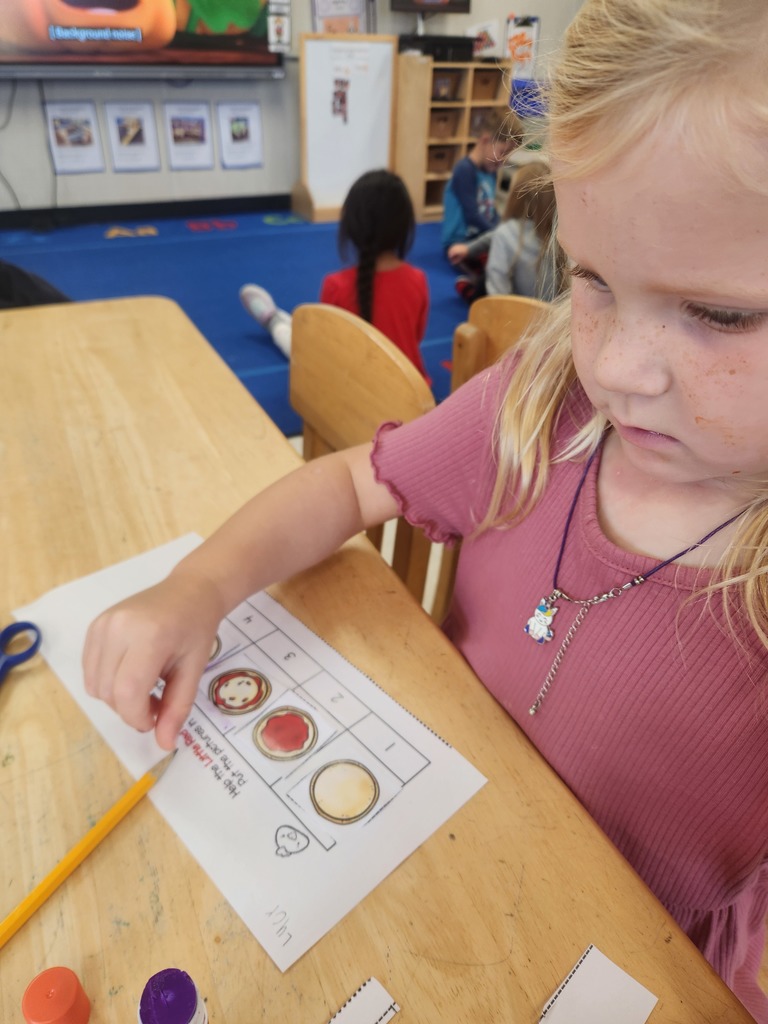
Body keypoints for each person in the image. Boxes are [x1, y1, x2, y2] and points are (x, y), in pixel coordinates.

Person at [83, 1, 768, 1017]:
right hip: (410, 863)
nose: (619, 369)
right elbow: (354, 481)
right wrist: (199, 586)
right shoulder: (543, 407)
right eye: (591, 280)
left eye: (715, 313)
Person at [239, 169, 430, 380]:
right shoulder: (418, 279)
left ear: (351, 227)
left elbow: (328, 350)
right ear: (405, 226)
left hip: (352, 394)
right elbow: (416, 337)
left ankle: (274, 321)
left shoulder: (336, 285)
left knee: (301, 347)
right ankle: (284, 320)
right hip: (412, 392)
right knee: (310, 333)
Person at [447, 161, 561, 301]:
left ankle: (472, 292)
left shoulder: (506, 233)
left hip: (515, 314)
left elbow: (498, 294)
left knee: (487, 276)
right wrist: (469, 249)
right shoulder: (560, 233)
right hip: (553, 316)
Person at [440, 110, 524, 300]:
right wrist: (500, 234)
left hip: (482, 236)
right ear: (486, 140)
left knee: (512, 260)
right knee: (494, 262)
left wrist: (503, 229)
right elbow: (472, 215)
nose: (503, 161)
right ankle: (473, 290)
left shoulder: (490, 171)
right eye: (502, 152)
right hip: (462, 243)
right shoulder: (464, 170)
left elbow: (490, 209)